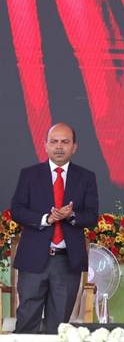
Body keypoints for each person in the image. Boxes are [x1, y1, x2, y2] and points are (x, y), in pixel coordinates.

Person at [10, 123, 99, 333]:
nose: (59, 146)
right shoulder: (29, 174)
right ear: (46, 145)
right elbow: (17, 210)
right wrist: (46, 219)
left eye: (65, 142)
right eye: (54, 141)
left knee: (59, 328)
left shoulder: (86, 177)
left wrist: (72, 215)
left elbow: (91, 215)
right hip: (33, 260)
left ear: (74, 147)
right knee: (27, 322)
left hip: (66, 262)